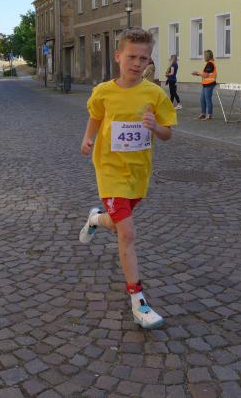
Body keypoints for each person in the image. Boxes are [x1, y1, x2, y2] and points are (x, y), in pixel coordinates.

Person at [79, 28, 176, 330]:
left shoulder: (154, 94)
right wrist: (88, 138)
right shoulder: (103, 92)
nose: (137, 63)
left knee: (117, 223)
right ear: (118, 56)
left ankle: (96, 219)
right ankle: (138, 301)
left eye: (143, 58)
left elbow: (168, 133)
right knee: (128, 233)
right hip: (109, 170)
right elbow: (96, 116)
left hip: (138, 173)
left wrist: (155, 127)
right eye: (131, 57)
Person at [192, 49, 217, 120]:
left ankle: (209, 114)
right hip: (206, 84)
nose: (204, 57)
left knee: (207, 99)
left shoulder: (210, 64)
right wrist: (198, 74)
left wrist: (197, 73)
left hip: (209, 84)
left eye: (205, 55)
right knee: (202, 99)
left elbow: (205, 75)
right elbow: (206, 74)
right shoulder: (209, 63)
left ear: (207, 56)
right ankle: (203, 114)